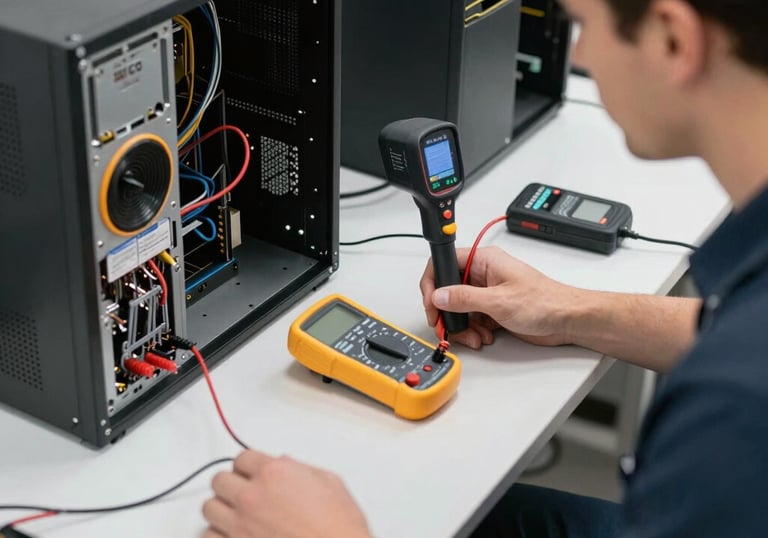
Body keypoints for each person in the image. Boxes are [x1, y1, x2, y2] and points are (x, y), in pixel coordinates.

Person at [201, 0, 768, 535]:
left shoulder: (729, 411)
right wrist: (571, 312)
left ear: (674, 40)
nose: (581, 56)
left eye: (584, 25)